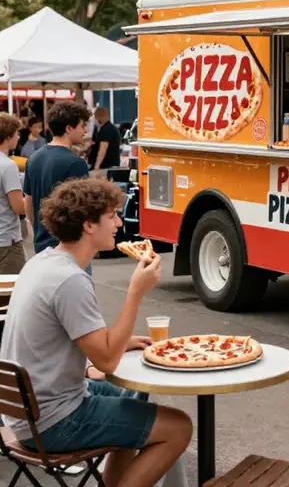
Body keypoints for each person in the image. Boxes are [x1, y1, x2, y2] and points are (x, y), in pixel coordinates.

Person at [0, 178, 192, 487]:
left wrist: (121, 342)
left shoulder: (42, 263)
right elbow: (107, 362)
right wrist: (135, 292)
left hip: (28, 415)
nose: (119, 223)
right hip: (54, 422)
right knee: (179, 427)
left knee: (134, 398)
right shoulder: (69, 279)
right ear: (88, 225)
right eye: (112, 215)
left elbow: (82, 343)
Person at [24, 101, 91, 257]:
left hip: (41, 245)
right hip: (70, 246)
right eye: (82, 126)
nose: (85, 131)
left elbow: (29, 203)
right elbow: (83, 209)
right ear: (69, 128)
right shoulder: (76, 163)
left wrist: (40, 230)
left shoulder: (33, 159)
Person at [0, 113, 26, 274]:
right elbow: (19, 207)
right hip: (6, 240)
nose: (18, 137)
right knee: (12, 286)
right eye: (17, 133)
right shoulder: (8, 166)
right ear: (8, 137)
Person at [89, 106, 121, 173]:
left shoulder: (106, 130)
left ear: (98, 118)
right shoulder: (111, 128)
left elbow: (102, 149)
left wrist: (96, 167)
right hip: (110, 167)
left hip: (105, 168)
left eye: (95, 117)